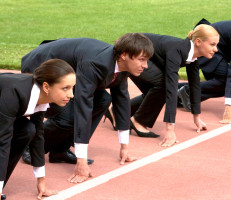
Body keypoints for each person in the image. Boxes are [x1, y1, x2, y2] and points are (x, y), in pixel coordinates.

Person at [20, 33, 154, 183]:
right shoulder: (95, 62)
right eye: (142, 60)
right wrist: (81, 160)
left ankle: (60, 151)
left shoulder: (121, 66)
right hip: (40, 68)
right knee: (68, 116)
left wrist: (124, 147)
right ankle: (32, 148)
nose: (146, 65)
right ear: (124, 55)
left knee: (103, 99)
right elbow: (83, 106)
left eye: (147, 60)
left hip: (69, 73)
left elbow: (122, 99)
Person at [105, 24, 219, 146]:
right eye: (212, 44)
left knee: (157, 90)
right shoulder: (177, 50)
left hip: (149, 59)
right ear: (198, 42)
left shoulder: (192, 57)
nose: (216, 49)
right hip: (134, 56)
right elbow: (171, 86)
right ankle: (139, 121)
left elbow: (195, 86)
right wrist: (170, 129)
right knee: (164, 85)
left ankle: (117, 111)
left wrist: (197, 118)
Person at [0, 59, 76, 200]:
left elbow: (38, 136)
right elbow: (2, 141)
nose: (71, 95)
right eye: (65, 88)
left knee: (28, 130)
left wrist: (41, 182)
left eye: (72, 88)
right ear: (46, 87)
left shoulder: (41, 97)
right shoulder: (14, 92)